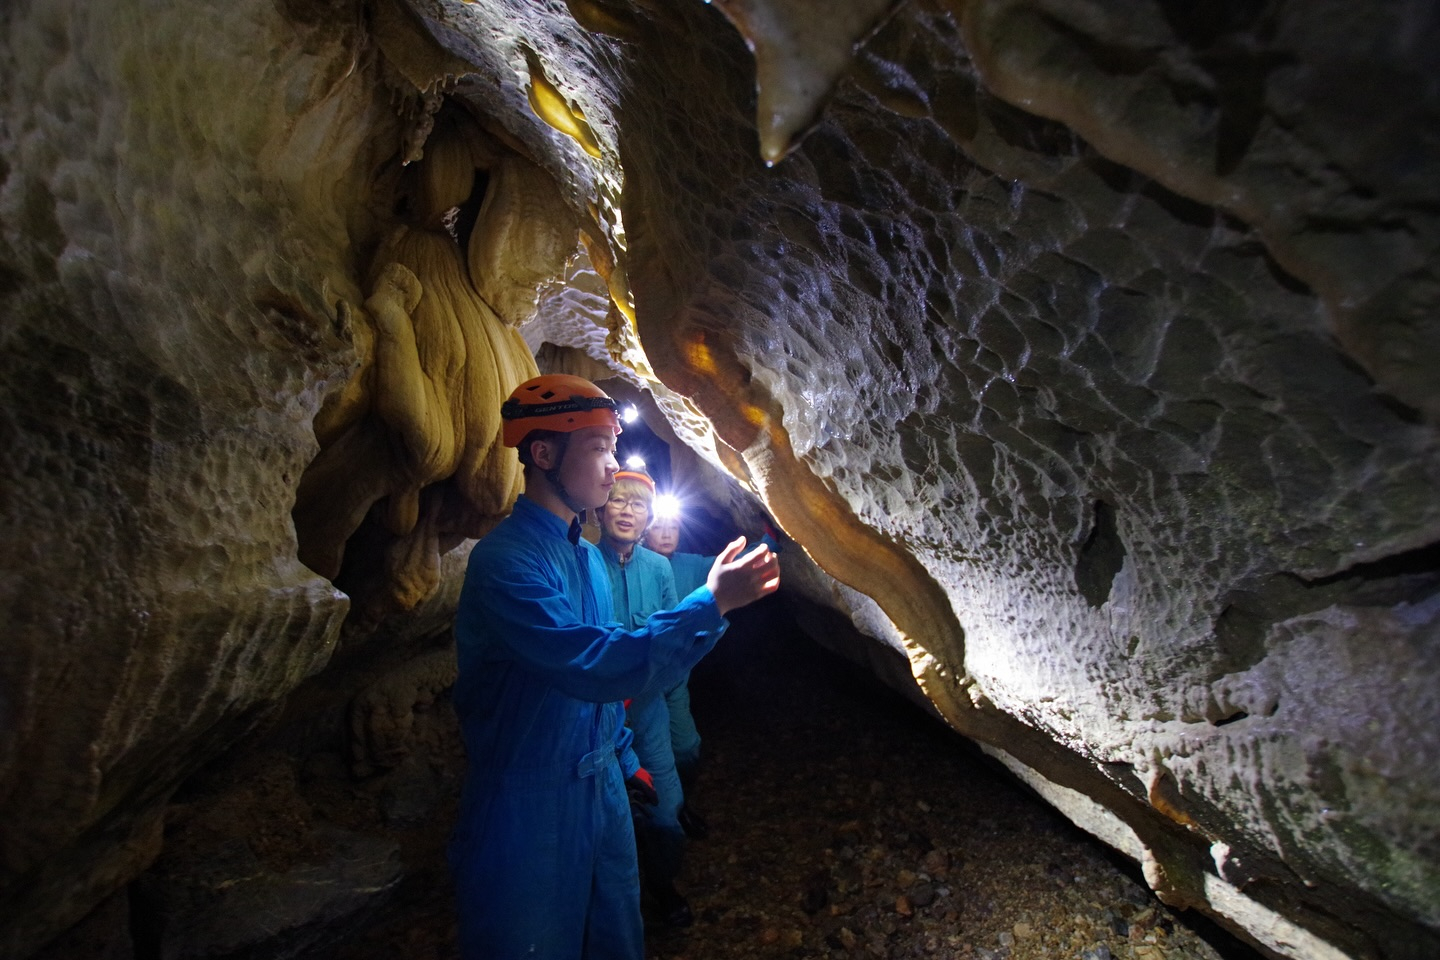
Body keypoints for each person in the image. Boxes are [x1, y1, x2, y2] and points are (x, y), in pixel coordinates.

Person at [447, 373, 779, 960]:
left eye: (614, 448)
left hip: (601, 783)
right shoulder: (506, 563)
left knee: (616, 936)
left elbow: (604, 690)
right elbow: (593, 665)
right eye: (599, 448)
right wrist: (714, 601)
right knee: (531, 943)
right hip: (530, 800)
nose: (612, 465)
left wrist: (625, 761)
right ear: (544, 454)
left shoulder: (587, 559)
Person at [644, 503, 781, 842]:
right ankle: (655, 820)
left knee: (687, 748)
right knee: (643, 758)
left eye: (672, 528)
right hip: (637, 685)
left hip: (675, 682)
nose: (665, 534)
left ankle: (679, 807)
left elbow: (737, 564)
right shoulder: (633, 563)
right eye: (658, 527)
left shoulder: (690, 566)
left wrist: (770, 537)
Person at [594, 470, 692, 926]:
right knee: (603, 811)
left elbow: (671, 634)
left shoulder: (658, 568)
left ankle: (663, 884)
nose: (628, 512)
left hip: (647, 710)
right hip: (596, 713)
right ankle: (615, 901)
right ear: (601, 507)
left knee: (666, 807)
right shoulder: (583, 562)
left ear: (648, 517)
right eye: (618, 502)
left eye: (637, 506)